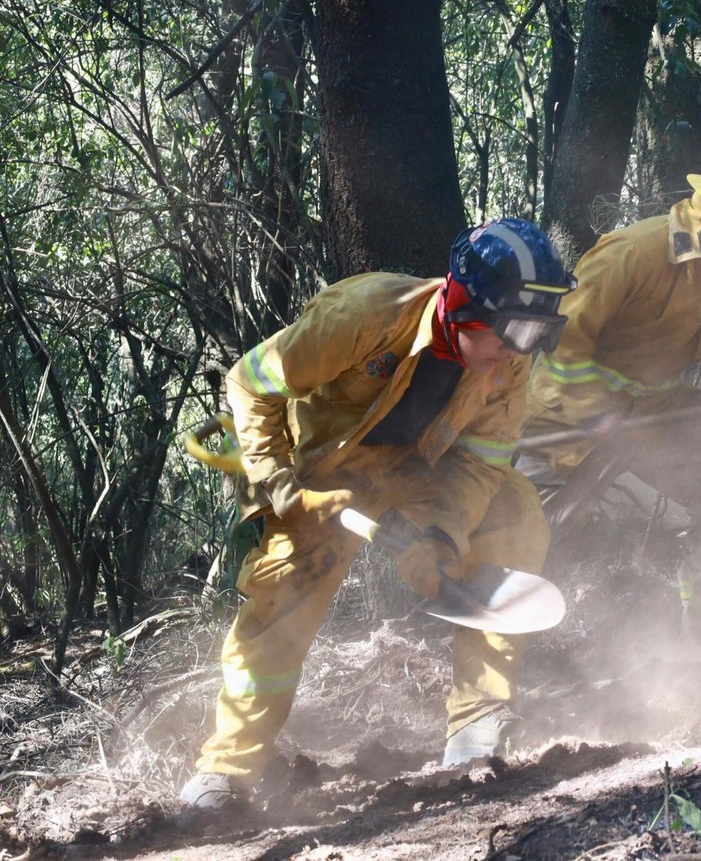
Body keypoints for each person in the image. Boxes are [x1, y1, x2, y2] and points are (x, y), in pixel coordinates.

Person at [179, 218, 576, 809]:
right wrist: (279, 483)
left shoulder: (508, 357)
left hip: (422, 469)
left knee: (512, 511)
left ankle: (476, 733)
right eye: (508, 334)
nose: (513, 356)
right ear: (462, 306)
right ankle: (225, 772)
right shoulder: (364, 315)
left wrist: (444, 534)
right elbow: (249, 383)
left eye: (531, 335)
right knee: (285, 590)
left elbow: (485, 460)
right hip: (322, 476)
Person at [515, 154, 701, 659]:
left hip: (660, 413)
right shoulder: (635, 252)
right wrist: (597, 411)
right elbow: (563, 337)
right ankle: (511, 657)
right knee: (534, 539)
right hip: (570, 414)